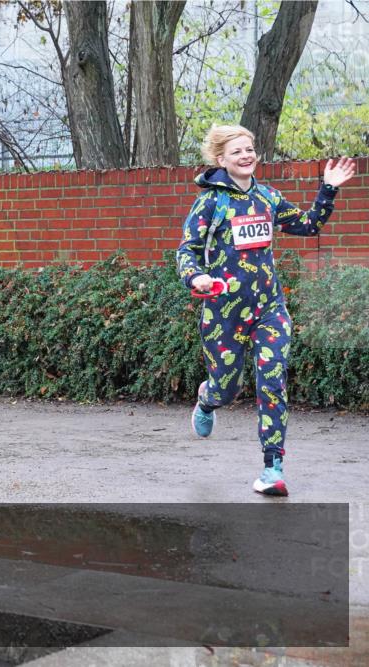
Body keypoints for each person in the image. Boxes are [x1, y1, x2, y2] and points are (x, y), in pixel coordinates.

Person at [176, 124, 356, 496]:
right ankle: (208, 399)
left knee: (272, 380)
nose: (246, 156)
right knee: (227, 388)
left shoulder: (268, 198)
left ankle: (272, 468)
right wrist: (196, 278)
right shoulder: (211, 202)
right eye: (237, 151)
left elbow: (309, 224)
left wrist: (329, 188)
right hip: (223, 313)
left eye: (250, 149)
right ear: (221, 160)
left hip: (269, 310)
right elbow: (187, 250)